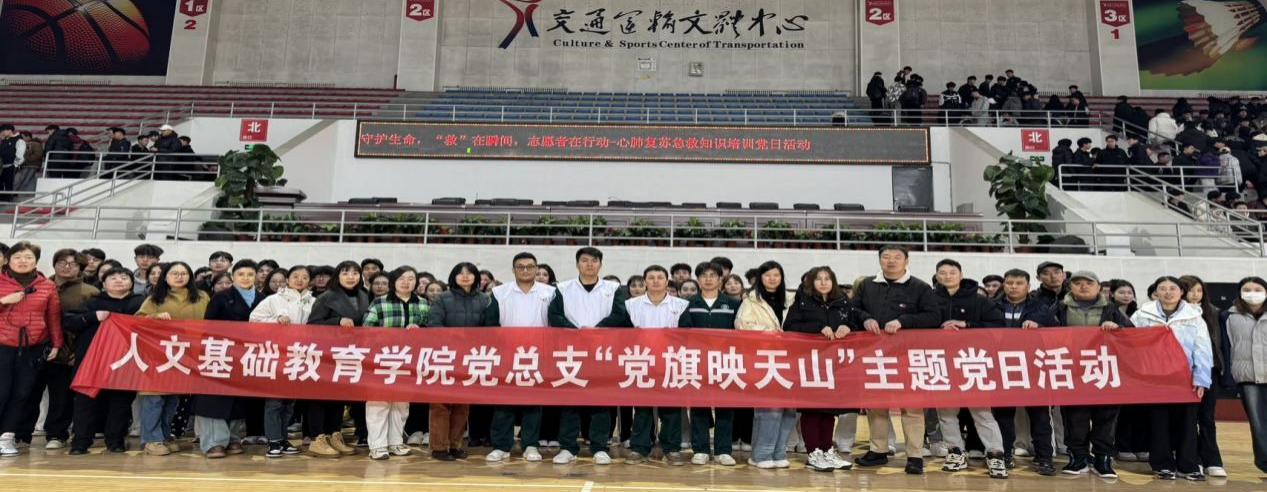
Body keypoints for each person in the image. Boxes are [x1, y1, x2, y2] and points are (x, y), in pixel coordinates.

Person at [852, 246, 941, 474]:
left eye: (897, 257)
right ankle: (878, 450)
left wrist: (904, 321)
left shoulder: (920, 287)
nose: (891, 261)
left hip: (908, 356)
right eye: (886, 257)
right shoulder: (867, 285)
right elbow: (853, 309)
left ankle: (915, 455)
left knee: (912, 407)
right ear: (880, 260)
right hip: (874, 356)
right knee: (876, 406)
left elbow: (933, 317)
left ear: (906, 261)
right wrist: (865, 318)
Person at [600, 265, 690, 466]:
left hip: (670, 363)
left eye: (660, 277)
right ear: (645, 281)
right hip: (641, 362)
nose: (656, 281)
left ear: (667, 281)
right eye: (651, 278)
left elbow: (686, 334)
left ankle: (672, 449)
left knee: (671, 409)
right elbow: (623, 333)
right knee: (642, 409)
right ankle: (639, 448)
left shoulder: (681, 305)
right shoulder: (631, 305)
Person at [547, 247, 626, 465]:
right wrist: (577, 332)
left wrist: (595, 332)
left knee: (601, 401)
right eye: (584, 260)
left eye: (594, 260)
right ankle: (568, 447)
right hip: (571, 351)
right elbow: (554, 315)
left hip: (602, 352)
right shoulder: (563, 288)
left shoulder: (613, 288)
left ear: (600, 264)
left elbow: (619, 314)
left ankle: (599, 447)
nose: (589, 264)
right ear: (577, 264)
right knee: (570, 401)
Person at [929, 259, 1008, 479]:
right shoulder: (929, 299)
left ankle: (995, 454)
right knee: (946, 413)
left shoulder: (979, 300)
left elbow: (998, 325)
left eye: (952, 272)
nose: (947, 276)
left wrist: (967, 325)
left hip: (972, 362)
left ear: (961, 275)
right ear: (937, 276)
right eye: (942, 272)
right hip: (942, 363)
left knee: (982, 412)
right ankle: (955, 452)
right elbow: (919, 324)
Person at [782, 266, 865, 472]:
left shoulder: (843, 301)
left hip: (835, 365)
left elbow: (855, 323)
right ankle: (814, 453)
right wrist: (817, 328)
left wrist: (848, 327)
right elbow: (789, 327)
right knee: (812, 410)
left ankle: (827, 450)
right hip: (811, 364)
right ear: (811, 282)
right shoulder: (802, 301)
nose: (823, 282)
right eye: (818, 279)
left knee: (830, 411)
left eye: (827, 278)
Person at [1132, 276, 1213, 481]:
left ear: (1181, 292)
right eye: (1163, 288)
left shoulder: (1194, 316)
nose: (1168, 292)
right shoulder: (1142, 315)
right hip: (1154, 378)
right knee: (1158, 422)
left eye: (1173, 288)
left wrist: (1201, 379)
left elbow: (1203, 349)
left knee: (1187, 423)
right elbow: (1130, 343)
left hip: (1185, 378)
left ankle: (1188, 465)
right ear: (1156, 292)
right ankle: (1162, 464)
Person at [1057, 271, 1133, 478]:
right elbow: (1045, 332)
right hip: (1072, 372)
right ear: (1070, 287)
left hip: (1104, 371)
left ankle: (1103, 458)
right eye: (1078, 283)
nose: (1083, 286)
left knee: (1106, 417)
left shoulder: (1111, 309)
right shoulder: (1060, 308)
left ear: (1099, 287)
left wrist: (1118, 328)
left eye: (1088, 283)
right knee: (1075, 418)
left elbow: (1132, 334)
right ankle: (1078, 457)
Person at [481, 253, 555, 463]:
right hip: (507, 354)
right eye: (520, 267)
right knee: (504, 402)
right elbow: (491, 323)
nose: (525, 270)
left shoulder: (550, 293)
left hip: (538, 355)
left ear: (536, 269)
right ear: (513, 270)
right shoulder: (500, 292)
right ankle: (501, 446)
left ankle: (530, 444)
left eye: (530, 266)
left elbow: (555, 322)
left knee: (534, 402)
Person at [22, 249, 98, 450]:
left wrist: (78, 352)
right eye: (61, 262)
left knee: (61, 397)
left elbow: (90, 327)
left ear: (80, 268)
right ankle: (22, 434)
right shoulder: (38, 286)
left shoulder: (89, 292)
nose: (66, 267)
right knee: (28, 393)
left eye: (72, 264)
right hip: (35, 349)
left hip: (68, 353)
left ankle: (57, 434)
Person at [63, 267, 143, 455]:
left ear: (132, 283)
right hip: (93, 361)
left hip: (126, 360)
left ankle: (115, 441)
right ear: (104, 284)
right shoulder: (92, 303)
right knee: (86, 401)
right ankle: (80, 442)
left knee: (121, 402)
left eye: (124, 277)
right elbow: (68, 322)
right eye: (113, 277)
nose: (119, 280)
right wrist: (92, 317)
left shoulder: (140, 303)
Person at [135, 261, 208, 457]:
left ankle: (165, 436)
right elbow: (137, 321)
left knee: (172, 399)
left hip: (187, 355)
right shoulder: (154, 299)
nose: (179, 276)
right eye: (174, 273)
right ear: (165, 277)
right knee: (154, 398)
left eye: (184, 273)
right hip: (158, 356)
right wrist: (155, 317)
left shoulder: (202, 297)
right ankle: (151, 439)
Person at [992, 269, 1059, 475]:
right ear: (1004, 285)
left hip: (1033, 367)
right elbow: (981, 328)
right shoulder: (992, 306)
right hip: (1001, 368)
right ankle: (1005, 454)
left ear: (1028, 286)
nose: (1013, 287)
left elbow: (1057, 332)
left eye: (1019, 283)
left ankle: (1044, 457)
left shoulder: (1041, 307)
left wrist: (1040, 326)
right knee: (1003, 416)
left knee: (1040, 416)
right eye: (1009, 283)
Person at [194, 260, 263, 459]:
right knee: (215, 398)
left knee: (238, 398)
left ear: (256, 277)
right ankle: (214, 442)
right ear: (233, 277)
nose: (246, 278)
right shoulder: (221, 297)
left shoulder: (264, 299)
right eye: (241, 274)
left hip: (248, 356)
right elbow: (209, 327)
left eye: (250, 274)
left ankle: (233, 437)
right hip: (221, 353)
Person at [0, 242, 62, 457]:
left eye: (28, 257)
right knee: (2, 392)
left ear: (36, 261)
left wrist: (57, 343)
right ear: (8, 260)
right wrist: (3, 301)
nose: (23, 261)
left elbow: (53, 316)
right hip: (2, 347)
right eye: (17, 257)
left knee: (22, 393)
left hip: (33, 348)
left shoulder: (47, 285)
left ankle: (7, 437)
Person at [678, 261, 743, 467]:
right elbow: (682, 332)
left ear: (720, 279)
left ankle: (724, 450)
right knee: (699, 407)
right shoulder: (689, 304)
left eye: (712, 275)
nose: (708, 279)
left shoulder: (733, 304)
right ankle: (701, 449)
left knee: (725, 407)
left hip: (725, 362)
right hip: (698, 362)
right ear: (698, 279)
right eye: (704, 275)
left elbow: (741, 334)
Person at [426, 262, 491, 461]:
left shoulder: (485, 299)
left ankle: (455, 445)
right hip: (445, 356)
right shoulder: (442, 298)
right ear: (453, 276)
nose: (465, 276)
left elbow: (489, 328)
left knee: (462, 405)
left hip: (470, 358)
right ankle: (439, 447)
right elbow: (433, 325)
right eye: (460, 273)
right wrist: (456, 339)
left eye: (469, 273)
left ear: (476, 277)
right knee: (440, 404)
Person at [362, 266, 427, 460]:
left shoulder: (423, 303)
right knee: (378, 403)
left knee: (401, 404)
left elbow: (431, 330)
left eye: (411, 278)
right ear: (393, 282)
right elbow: (366, 329)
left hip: (409, 361)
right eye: (402, 278)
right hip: (382, 359)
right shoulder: (380, 302)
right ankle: (377, 445)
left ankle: (395, 442)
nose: (406, 282)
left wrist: (421, 329)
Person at [248, 265, 314, 458]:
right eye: (295, 276)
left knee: (289, 403)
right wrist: (276, 320)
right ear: (288, 279)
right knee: (274, 402)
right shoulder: (274, 299)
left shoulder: (313, 301)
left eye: (304, 277)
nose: (300, 280)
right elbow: (253, 320)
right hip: (277, 356)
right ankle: (273, 441)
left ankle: (283, 439)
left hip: (300, 357)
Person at [736, 261, 797, 470]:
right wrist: (772, 334)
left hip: (790, 360)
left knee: (789, 410)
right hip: (764, 360)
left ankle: (779, 452)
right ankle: (760, 454)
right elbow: (742, 326)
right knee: (769, 409)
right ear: (760, 278)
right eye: (767, 275)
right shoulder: (750, 300)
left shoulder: (792, 299)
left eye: (776, 275)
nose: (772, 279)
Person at [307, 261, 368, 458]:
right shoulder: (326, 297)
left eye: (355, 273)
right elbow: (313, 325)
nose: (351, 276)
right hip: (326, 355)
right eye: (345, 273)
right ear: (337, 276)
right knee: (320, 397)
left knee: (339, 397)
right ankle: (317, 438)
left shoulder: (364, 296)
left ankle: (334, 434)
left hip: (350, 354)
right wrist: (337, 321)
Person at [1178, 275, 1227, 478]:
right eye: (1190, 290)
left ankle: (1212, 460)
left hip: (1209, 370)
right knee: (1188, 418)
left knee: (1207, 418)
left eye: (1199, 290)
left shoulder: (1214, 312)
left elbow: (1221, 344)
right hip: (1183, 373)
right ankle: (1192, 459)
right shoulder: (1176, 314)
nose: (1195, 294)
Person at [1222, 276, 1267, 474]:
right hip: (1248, 378)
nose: (1252, 293)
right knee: (1258, 424)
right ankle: (1265, 462)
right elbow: (1226, 346)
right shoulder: (1229, 316)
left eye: (1258, 289)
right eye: (1247, 289)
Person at [0, 124, 27, 203]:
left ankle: (8, 200)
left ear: (9, 130)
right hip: (2, 167)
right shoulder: (4, 140)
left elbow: (20, 155)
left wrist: (15, 165)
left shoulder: (19, 140)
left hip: (11, 166)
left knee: (9, 184)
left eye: (3, 131)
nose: (2, 133)